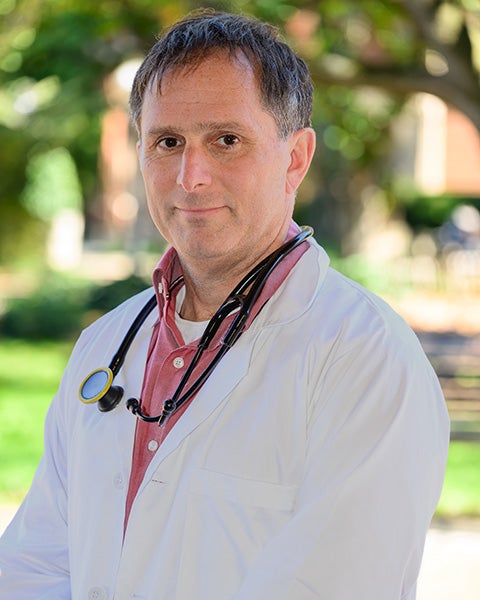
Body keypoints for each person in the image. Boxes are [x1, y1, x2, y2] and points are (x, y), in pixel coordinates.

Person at [0, 10, 449, 600]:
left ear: (295, 157)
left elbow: (333, 585)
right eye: (167, 142)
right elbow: (36, 568)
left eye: (226, 140)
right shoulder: (107, 344)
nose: (191, 176)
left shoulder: (365, 358)